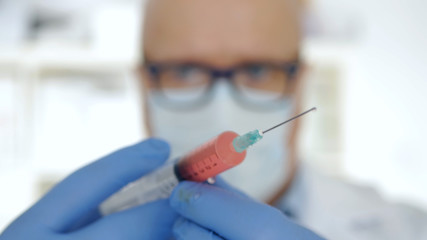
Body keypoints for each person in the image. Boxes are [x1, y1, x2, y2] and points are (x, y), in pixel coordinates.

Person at [1, 0, 426, 240]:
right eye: (184, 71)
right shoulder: (86, 226)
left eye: (258, 70)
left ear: (301, 84)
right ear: (142, 83)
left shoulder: (409, 229)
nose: (223, 104)